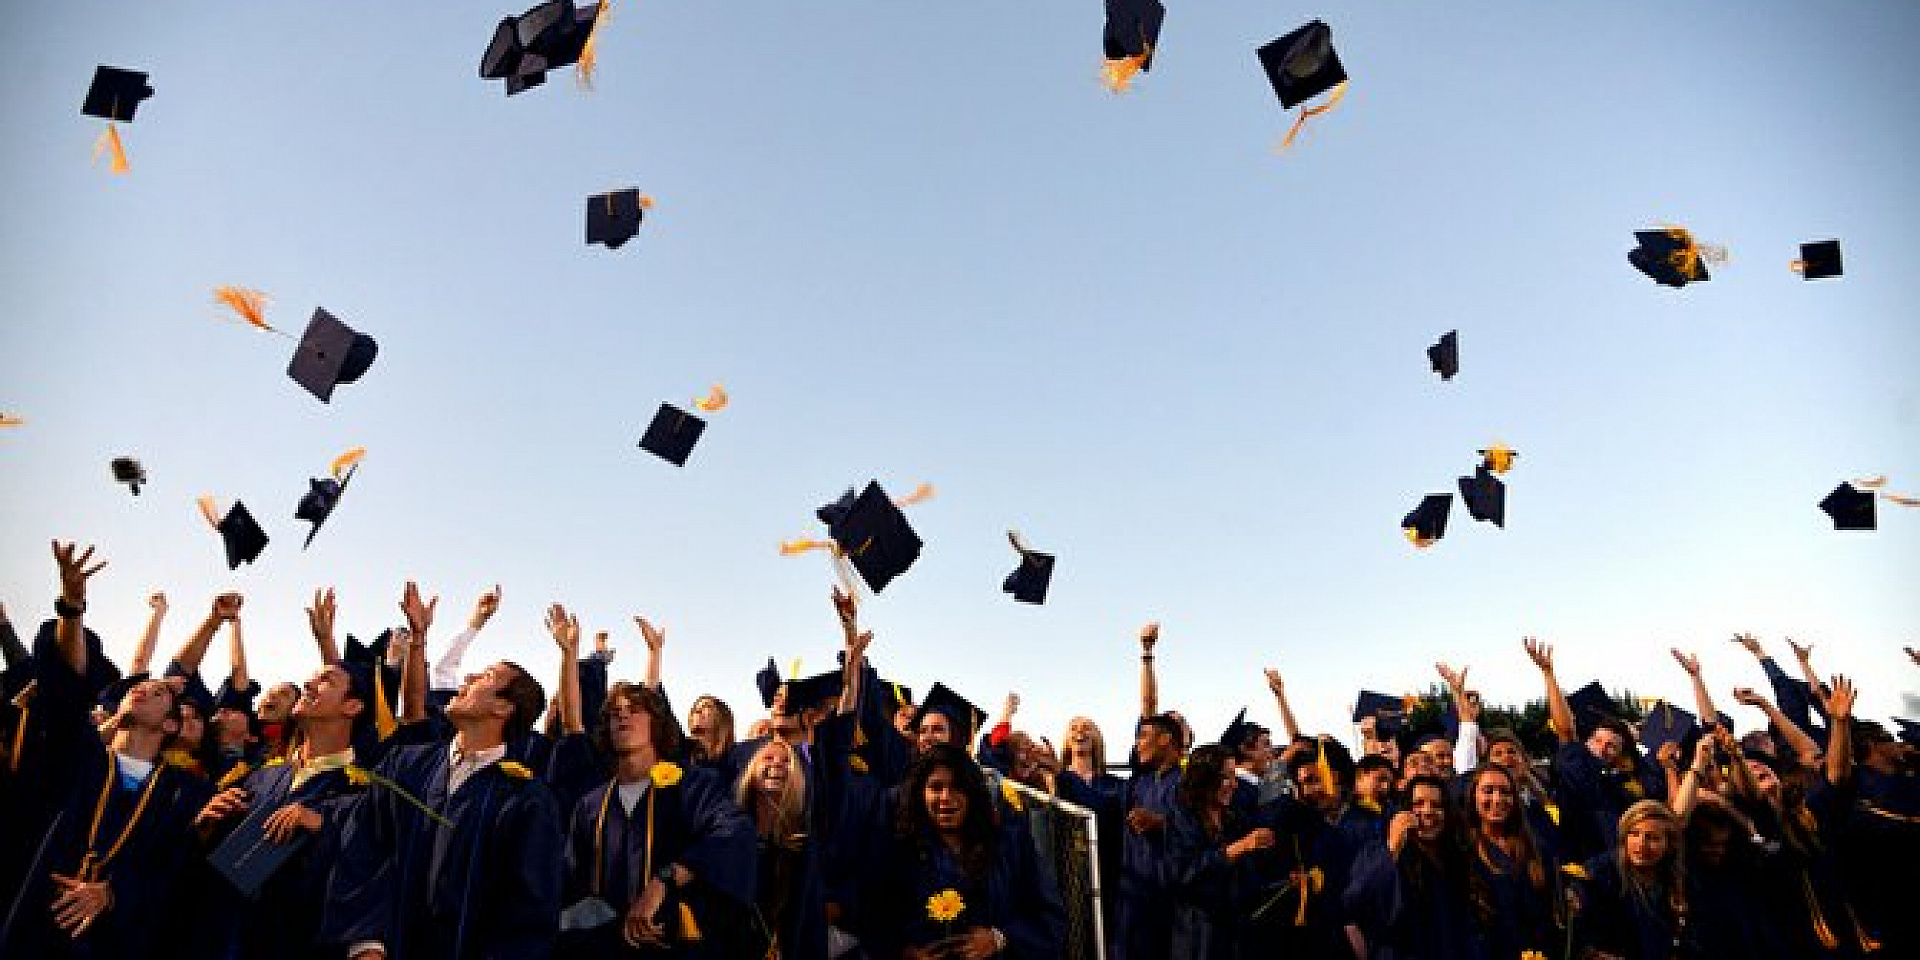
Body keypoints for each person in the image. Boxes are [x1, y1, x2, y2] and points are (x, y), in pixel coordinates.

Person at [325, 582, 564, 960]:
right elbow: (362, 850)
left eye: (484, 677)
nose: (466, 679)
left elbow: (528, 914)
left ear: (504, 709)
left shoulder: (527, 800)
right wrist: (365, 943)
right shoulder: (405, 766)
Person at [3, 542, 213, 959]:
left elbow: (172, 872)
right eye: (137, 686)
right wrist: (72, 606)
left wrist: (113, 894)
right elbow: (65, 686)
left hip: (110, 942)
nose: (141, 689)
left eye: (155, 692)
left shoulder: (182, 793)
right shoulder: (78, 756)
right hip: (33, 925)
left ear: (172, 725)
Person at [190, 658, 379, 960]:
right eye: (311, 677)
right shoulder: (259, 776)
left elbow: (370, 881)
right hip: (221, 940)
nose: (308, 684)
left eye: (326, 680)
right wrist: (204, 828)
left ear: (352, 707)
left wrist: (323, 827)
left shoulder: (364, 791)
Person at [559, 680, 760, 959]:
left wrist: (666, 878)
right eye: (615, 712)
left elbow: (733, 833)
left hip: (673, 944)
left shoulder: (692, 786)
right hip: (600, 945)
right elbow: (570, 877)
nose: (622, 715)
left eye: (634, 709)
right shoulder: (591, 804)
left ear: (657, 723)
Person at [861, 744, 1065, 958]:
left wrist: (999, 938)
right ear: (921, 794)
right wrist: (904, 952)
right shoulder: (899, 848)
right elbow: (873, 917)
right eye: (936, 787)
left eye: (958, 787)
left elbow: (1049, 917)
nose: (946, 797)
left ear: (973, 793)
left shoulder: (1009, 844)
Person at [1525, 637, 1663, 863]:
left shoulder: (1624, 787)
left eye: (1611, 746)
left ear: (1620, 755)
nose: (1602, 748)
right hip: (1582, 864)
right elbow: (1566, 731)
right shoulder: (1576, 764)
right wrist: (1548, 674)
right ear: (1587, 741)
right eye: (1598, 741)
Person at [1343, 774, 1481, 959]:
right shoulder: (1378, 852)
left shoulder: (1458, 858)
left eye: (1437, 805)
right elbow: (1357, 903)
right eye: (1418, 804)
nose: (1428, 811)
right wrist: (1392, 850)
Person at [1166, 744, 1275, 959]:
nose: (1235, 785)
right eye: (1226, 777)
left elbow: (1250, 881)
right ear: (1205, 780)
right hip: (1199, 939)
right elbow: (1183, 875)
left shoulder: (1236, 821)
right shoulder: (1182, 820)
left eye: (1234, 777)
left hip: (1237, 939)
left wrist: (1282, 883)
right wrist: (1238, 848)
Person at [1571, 800, 1703, 959]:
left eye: (1652, 838)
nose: (1641, 845)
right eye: (1634, 834)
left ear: (1669, 844)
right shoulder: (1600, 874)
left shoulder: (1680, 880)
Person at [737, 737, 827, 959]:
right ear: (750, 772)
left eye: (786, 761)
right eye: (767, 758)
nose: (777, 763)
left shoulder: (804, 842)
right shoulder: (730, 833)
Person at [1460, 764, 1560, 958]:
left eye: (1505, 792)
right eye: (1488, 791)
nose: (1497, 800)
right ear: (1473, 797)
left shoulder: (1536, 848)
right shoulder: (1462, 851)